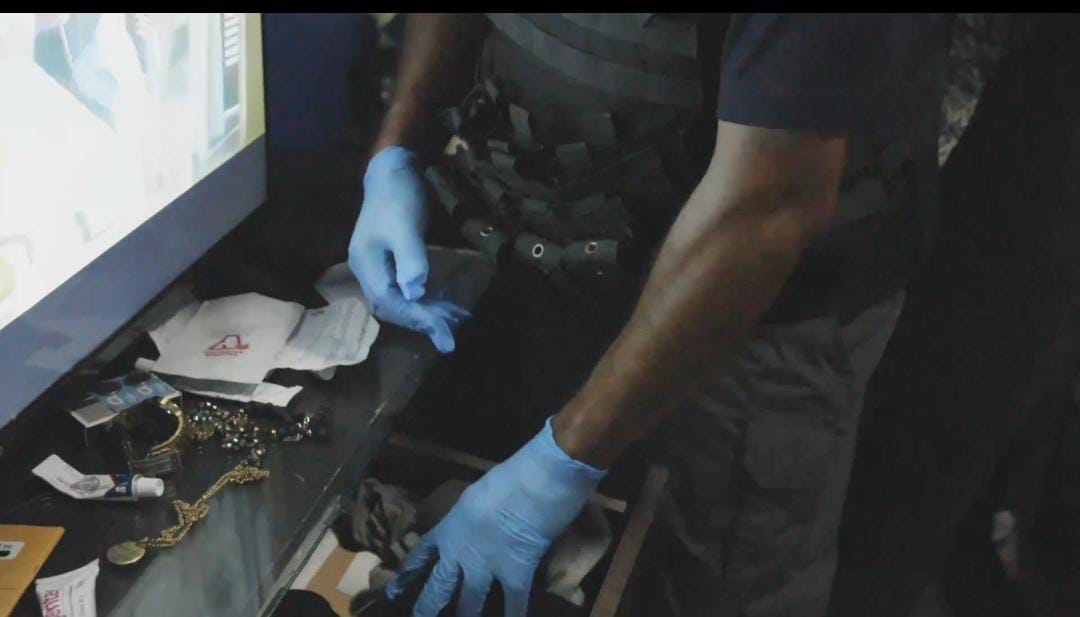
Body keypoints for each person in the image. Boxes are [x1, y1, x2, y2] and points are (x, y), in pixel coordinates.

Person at [348, 14, 949, 616]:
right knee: (588, 548)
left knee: (714, 583)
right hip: (568, 249)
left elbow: (766, 209)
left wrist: (556, 467)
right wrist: (398, 149)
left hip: (757, 318)